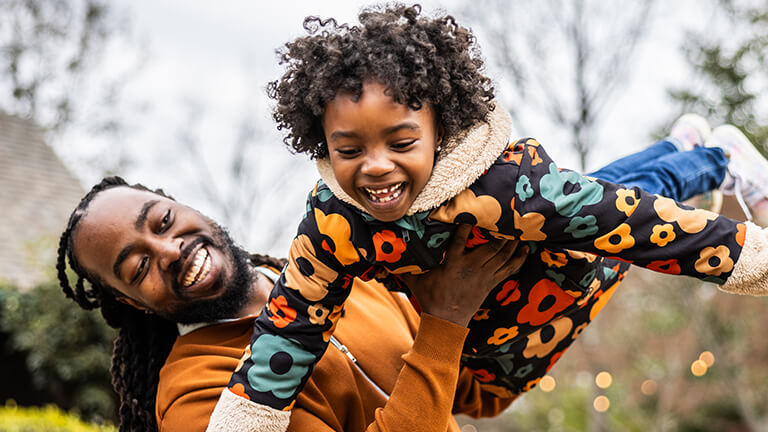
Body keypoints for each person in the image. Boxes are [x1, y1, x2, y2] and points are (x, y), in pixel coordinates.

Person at [212, 4, 768, 430]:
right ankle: (685, 145)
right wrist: (246, 415)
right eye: (350, 151)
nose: (376, 168)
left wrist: (752, 260)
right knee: (611, 185)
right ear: (324, 145)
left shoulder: (505, 185)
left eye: (401, 142)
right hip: (493, 349)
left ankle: (717, 160)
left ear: (439, 130)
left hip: (569, 273)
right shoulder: (335, 224)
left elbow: (639, 226)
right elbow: (293, 322)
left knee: (624, 198)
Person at [56, 177, 528, 431]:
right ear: (133, 303)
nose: (169, 251)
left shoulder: (339, 274)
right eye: (137, 268)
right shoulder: (197, 400)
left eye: (162, 221)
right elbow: (441, 343)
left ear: (186, 208)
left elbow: (474, 392)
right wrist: (445, 322)